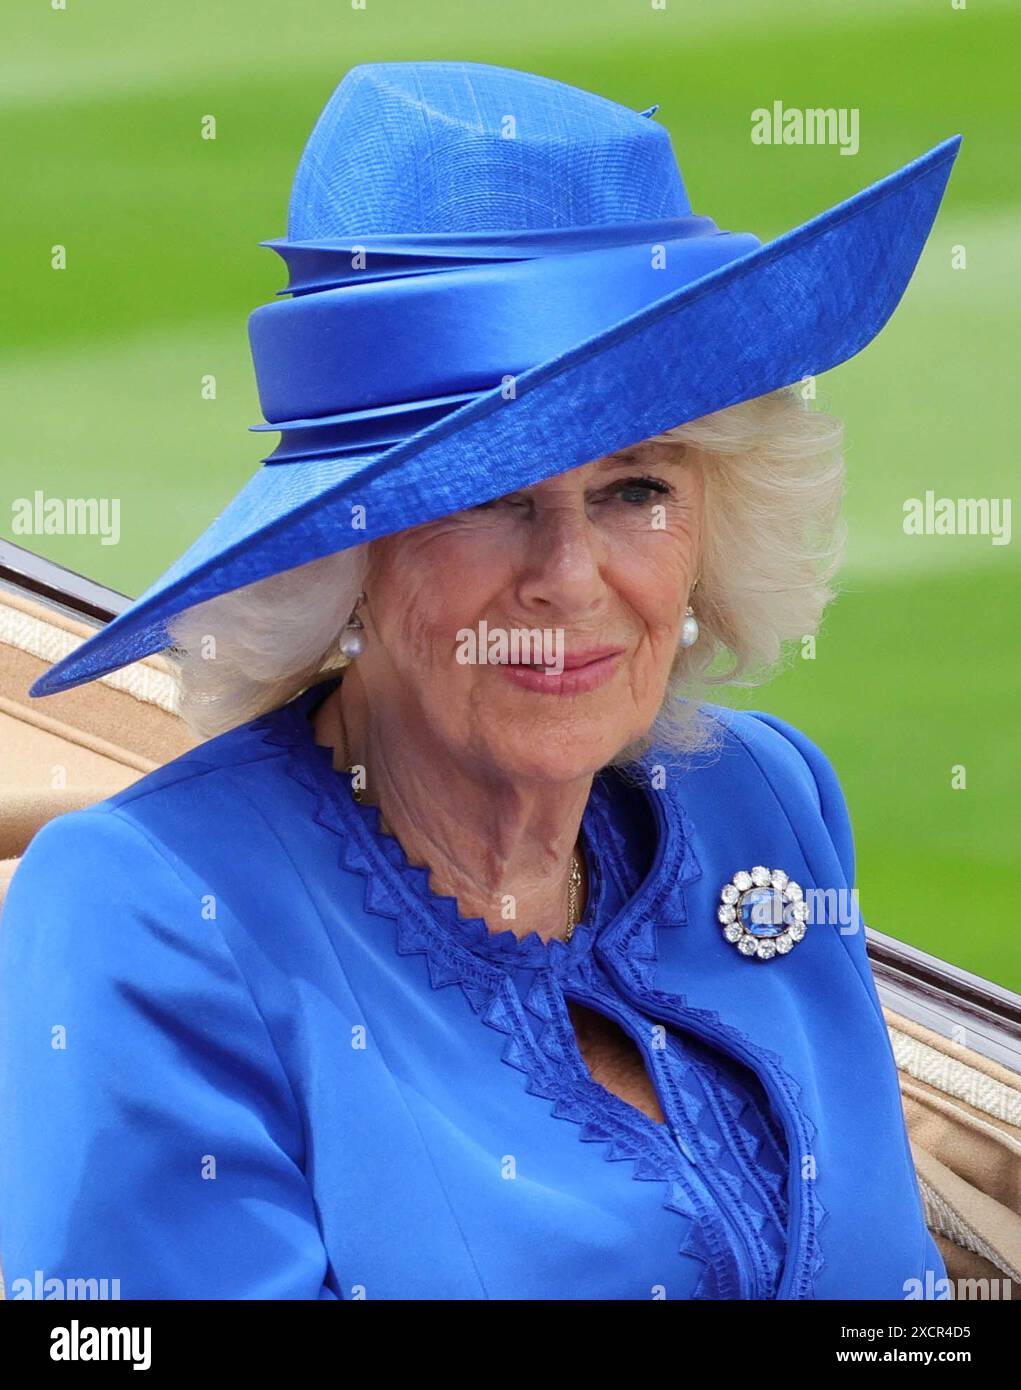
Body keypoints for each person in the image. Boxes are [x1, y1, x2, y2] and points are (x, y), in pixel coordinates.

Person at [0, 60, 961, 1300]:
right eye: (488, 499)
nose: (570, 575)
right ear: (345, 554)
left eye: (637, 489)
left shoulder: (761, 800)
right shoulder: (150, 910)